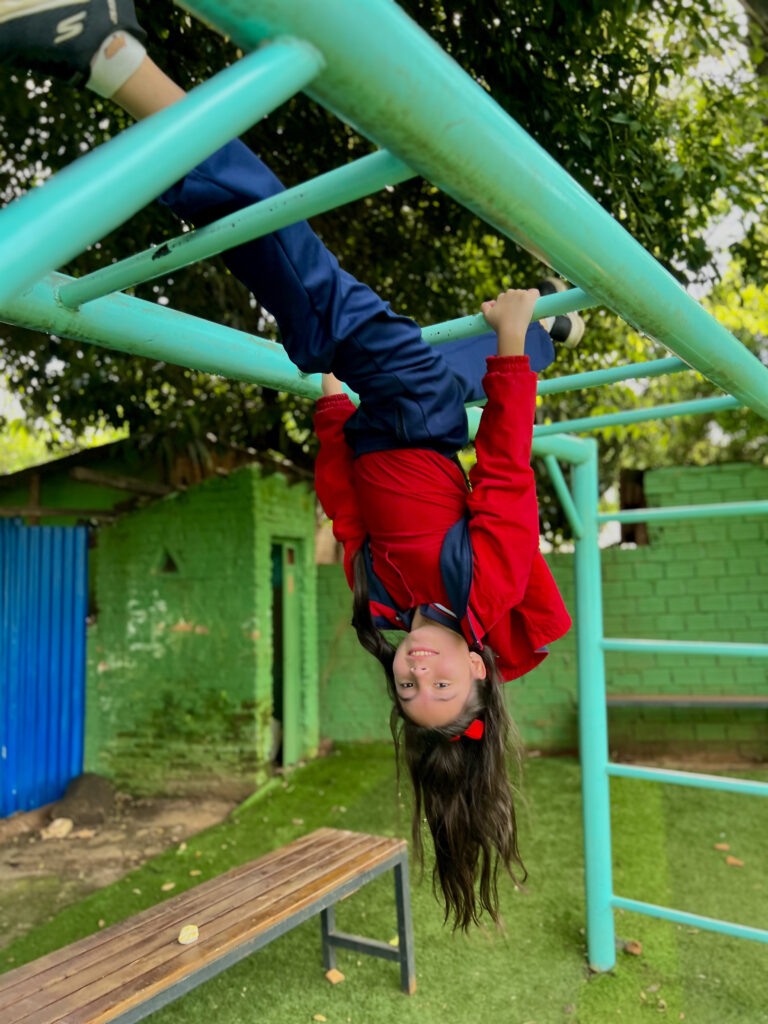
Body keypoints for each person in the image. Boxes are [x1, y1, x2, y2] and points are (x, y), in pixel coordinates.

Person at [2, 0, 575, 930]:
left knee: (317, 319)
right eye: (442, 685)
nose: (418, 672)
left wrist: (330, 422)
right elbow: (506, 472)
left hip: (381, 420)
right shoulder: (487, 588)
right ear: (480, 674)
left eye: (408, 689)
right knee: (304, 285)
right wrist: (508, 351)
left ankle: (557, 327)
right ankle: (108, 51)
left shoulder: (387, 608)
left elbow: (350, 517)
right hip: (425, 420)